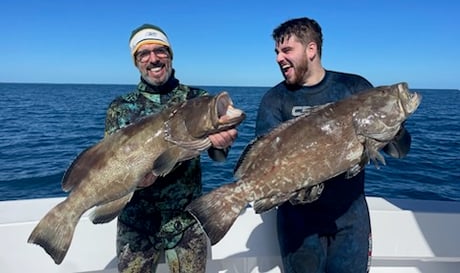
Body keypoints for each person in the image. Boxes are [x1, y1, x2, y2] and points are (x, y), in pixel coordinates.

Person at [255, 17, 412, 273]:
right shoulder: (274, 100)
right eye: (276, 52)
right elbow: (264, 160)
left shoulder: (354, 87)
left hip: (350, 221)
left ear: (311, 49)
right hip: (298, 226)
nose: (278, 58)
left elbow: (399, 151)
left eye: (286, 50)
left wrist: (394, 126)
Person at [104, 23, 238, 273]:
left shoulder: (198, 100)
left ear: (170, 55)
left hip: (186, 222)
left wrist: (223, 145)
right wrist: (132, 181)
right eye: (144, 54)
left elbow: (218, 157)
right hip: (136, 224)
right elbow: (112, 164)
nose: (153, 59)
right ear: (136, 62)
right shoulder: (120, 108)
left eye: (160, 51)